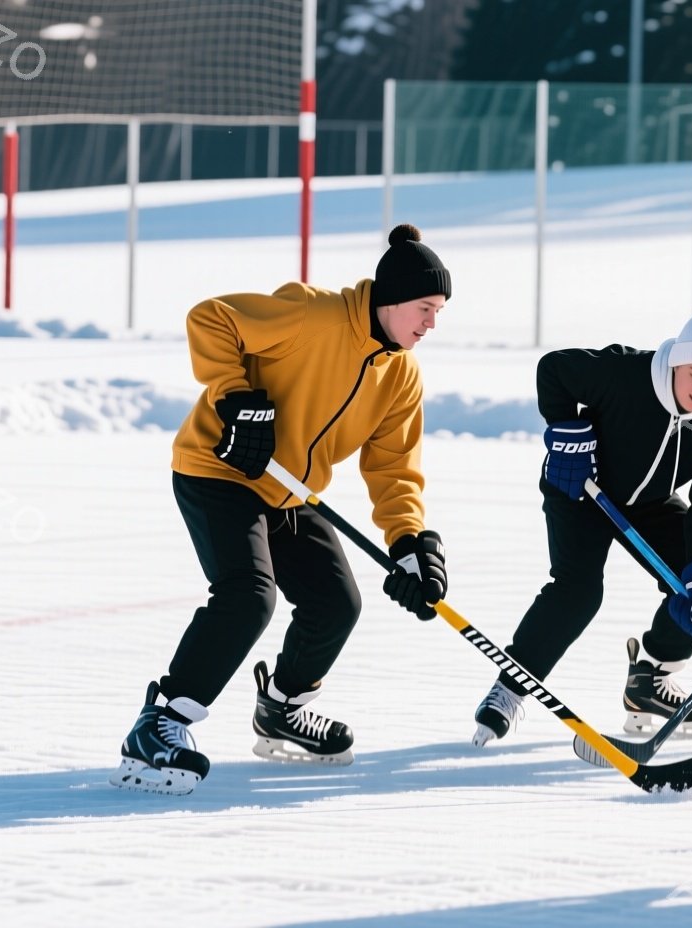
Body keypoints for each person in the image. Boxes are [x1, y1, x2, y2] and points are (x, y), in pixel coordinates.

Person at [110, 224, 455, 796]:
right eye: (425, 307)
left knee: (336, 603)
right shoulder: (312, 315)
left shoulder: (401, 376)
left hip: (289, 488)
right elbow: (211, 317)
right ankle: (161, 723)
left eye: (439, 310)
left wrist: (410, 542)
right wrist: (236, 396)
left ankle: (281, 709)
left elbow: (393, 467)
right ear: (391, 299)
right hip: (218, 469)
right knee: (248, 595)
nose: (431, 323)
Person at [471, 310, 692, 747]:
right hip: (582, 487)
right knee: (578, 591)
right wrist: (567, 432)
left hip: (648, 504)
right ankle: (509, 688)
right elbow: (554, 370)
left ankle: (650, 679)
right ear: (676, 361)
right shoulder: (624, 373)